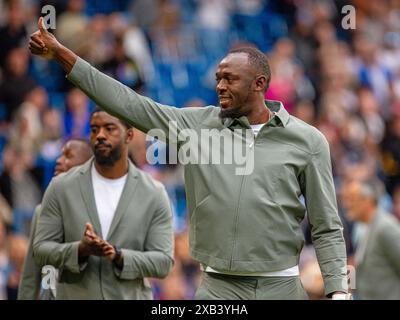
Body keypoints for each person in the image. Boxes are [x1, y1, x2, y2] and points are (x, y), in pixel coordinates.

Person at [29, 17, 348, 299]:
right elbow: (129, 104)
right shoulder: (195, 126)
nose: (220, 86)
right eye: (218, 78)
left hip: (282, 286)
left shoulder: (308, 140)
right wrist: (63, 55)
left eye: (229, 79)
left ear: (259, 85)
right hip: (218, 286)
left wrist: (337, 290)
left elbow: (326, 227)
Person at [32, 108, 174, 299]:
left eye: (109, 129)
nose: (100, 135)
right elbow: (40, 250)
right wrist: (79, 250)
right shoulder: (61, 187)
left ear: (129, 135)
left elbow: (163, 262)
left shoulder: (153, 192)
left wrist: (120, 256)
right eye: (94, 129)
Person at [18, 138, 93, 300]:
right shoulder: (41, 212)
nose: (59, 161)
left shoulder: (98, 213)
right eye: (60, 155)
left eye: (68, 156)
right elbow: (30, 276)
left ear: (86, 167)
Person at [342, 179, 400, 299]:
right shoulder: (365, 228)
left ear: (367, 201)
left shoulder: (385, 227)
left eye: (352, 199)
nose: (347, 205)